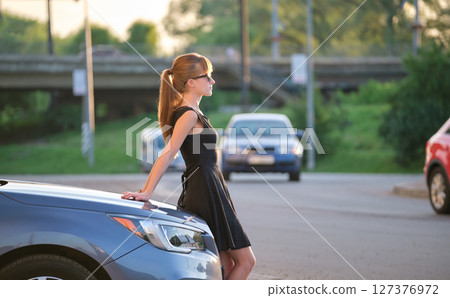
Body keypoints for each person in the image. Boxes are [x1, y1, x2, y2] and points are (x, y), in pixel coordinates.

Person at [121, 53, 255, 280]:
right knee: (245, 261)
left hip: (211, 186)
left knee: (225, 265)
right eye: (208, 77)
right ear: (191, 82)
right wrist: (147, 191)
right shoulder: (188, 114)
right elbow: (169, 152)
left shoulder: (194, 112)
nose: (212, 81)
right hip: (204, 188)